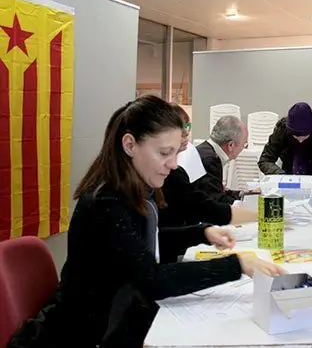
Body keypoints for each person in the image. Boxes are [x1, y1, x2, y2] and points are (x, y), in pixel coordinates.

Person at [8, 95, 284, 348]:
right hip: (84, 334)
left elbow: (141, 245)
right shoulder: (106, 202)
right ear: (129, 145)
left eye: (176, 152)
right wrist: (236, 264)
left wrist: (203, 232)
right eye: (165, 153)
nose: (174, 164)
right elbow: (152, 278)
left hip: (113, 318)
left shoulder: (133, 191)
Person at [160, 104, 256, 263]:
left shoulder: (184, 166)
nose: (186, 137)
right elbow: (207, 205)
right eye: (164, 153)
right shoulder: (206, 159)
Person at [258, 102, 312, 220]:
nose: (300, 140)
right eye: (295, 136)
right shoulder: (282, 130)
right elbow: (265, 160)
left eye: (304, 136)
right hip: (287, 185)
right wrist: (282, 177)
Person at [195, 116, 249, 204]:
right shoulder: (210, 161)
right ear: (230, 145)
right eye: (244, 144)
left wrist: (243, 194)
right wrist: (247, 202)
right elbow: (217, 201)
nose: (244, 148)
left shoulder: (205, 150)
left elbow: (217, 191)